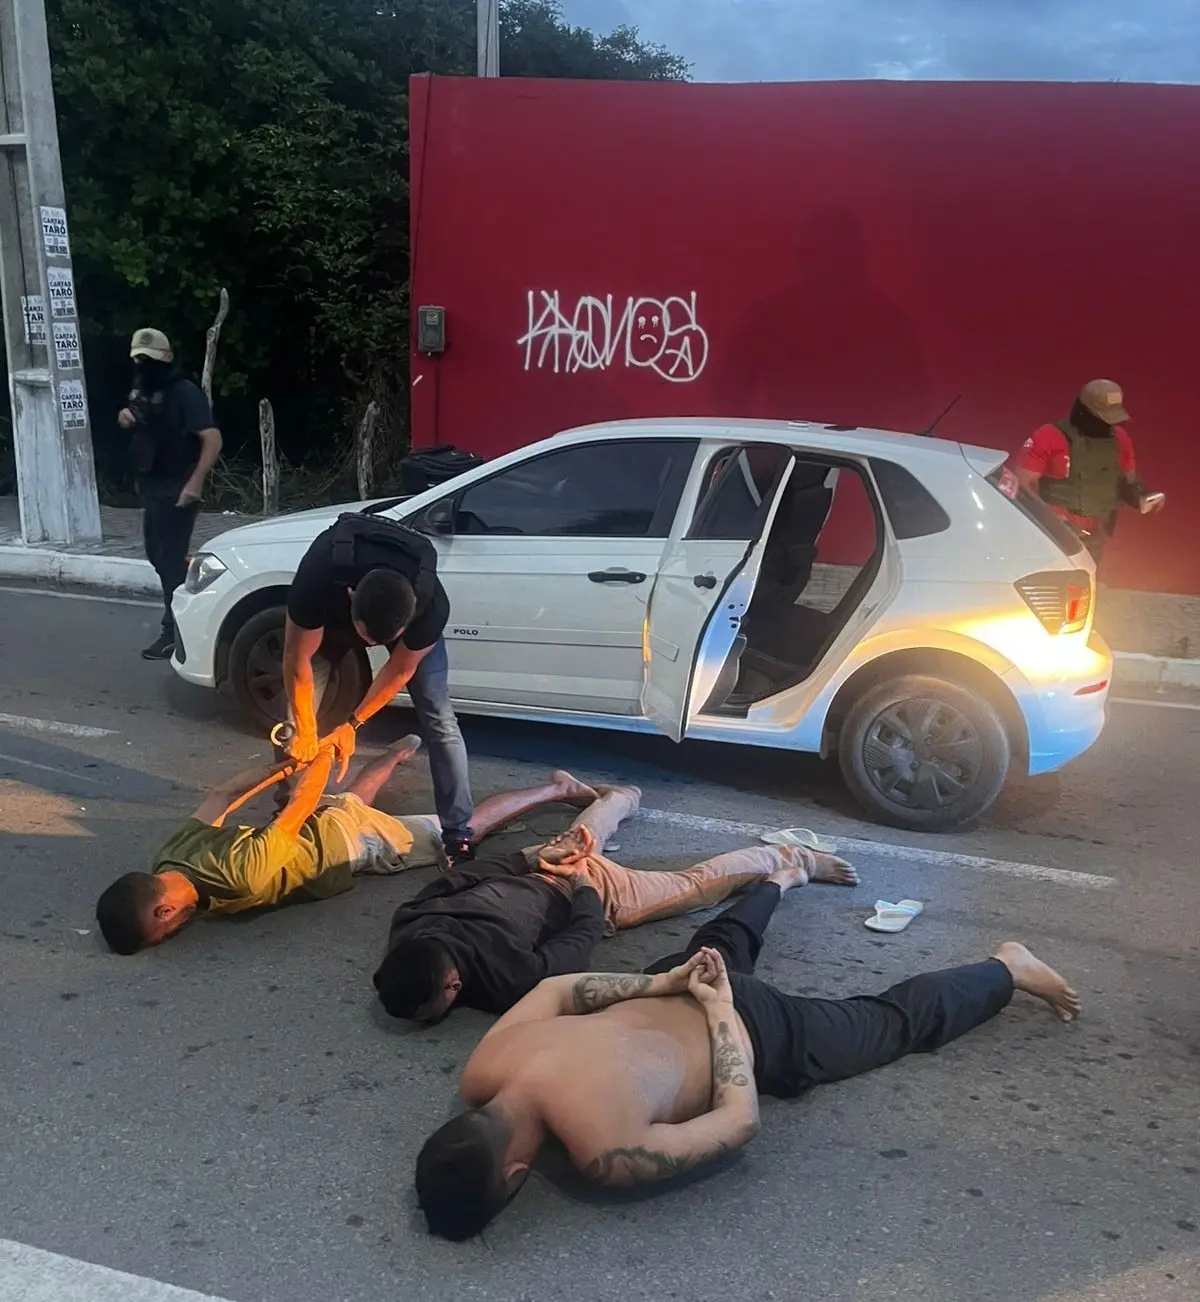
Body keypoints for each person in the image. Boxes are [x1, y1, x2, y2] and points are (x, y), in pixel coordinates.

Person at [414, 860, 1081, 1240]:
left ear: (515, 1175)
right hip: (680, 985)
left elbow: (740, 1119)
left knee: (885, 1025)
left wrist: (716, 1008)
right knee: (720, 948)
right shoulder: (484, 1071)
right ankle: (779, 877)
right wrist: (675, 985)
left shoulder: (603, 1152)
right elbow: (558, 991)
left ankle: (1007, 968)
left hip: (746, 1024)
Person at [373, 785, 858, 1022]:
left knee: (694, 886)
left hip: (584, 889)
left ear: (453, 985)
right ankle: (622, 795)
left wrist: (584, 885)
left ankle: (792, 858)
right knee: (581, 839)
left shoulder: (507, 980)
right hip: (538, 869)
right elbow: (463, 877)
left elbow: (580, 937)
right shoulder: (409, 922)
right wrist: (531, 857)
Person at [94, 735, 595, 956]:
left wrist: (319, 757)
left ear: (162, 910)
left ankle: (556, 789)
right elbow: (222, 795)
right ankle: (397, 754)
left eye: (164, 934)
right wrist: (282, 768)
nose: (176, 933)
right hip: (325, 824)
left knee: (462, 830)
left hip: (351, 844)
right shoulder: (170, 856)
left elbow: (295, 809)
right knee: (350, 800)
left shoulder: (239, 878)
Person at [282, 511, 474, 865]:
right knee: (297, 722)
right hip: (332, 617)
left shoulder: (431, 607)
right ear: (351, 596)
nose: (371, 647)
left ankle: (458, 831)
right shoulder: (317, 577)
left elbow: (400, 670)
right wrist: (308, 731)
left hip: (395, 615)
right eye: (368, 638)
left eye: (383, 640)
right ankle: (288, 813)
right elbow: (297, 663)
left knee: (440, 719)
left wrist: (351, 725)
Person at [118, 328, 223, 661]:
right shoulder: (144, 386)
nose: (143, 364)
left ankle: (175, 632)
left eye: (149, 359)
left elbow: (212, 438)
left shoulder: (185, 392)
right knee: (159, 557)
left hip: (177, 488)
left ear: (167, 357)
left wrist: (195, 483)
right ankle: (188, 618)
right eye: (139, 358)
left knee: (168, 560)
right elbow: (139, 417)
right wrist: (126, 418)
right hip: (152, 485)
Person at [1014, 379, 1163, 562]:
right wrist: (1051, 521)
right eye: (1103, 417)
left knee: (1090, 575)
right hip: (1053, 535)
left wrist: (1141, 498)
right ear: (1084, 411)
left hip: (1096, 534)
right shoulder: (1049, 437)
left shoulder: (1120, 439)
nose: (1107, 424)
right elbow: (1023, 486)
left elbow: (1127, 480)